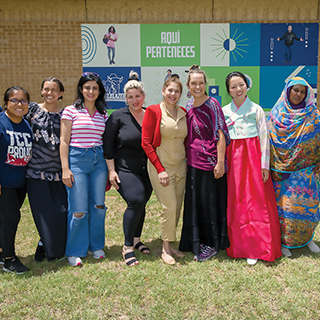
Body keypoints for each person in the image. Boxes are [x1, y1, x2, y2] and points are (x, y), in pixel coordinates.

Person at [222, 71, 281, 265]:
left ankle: (258, 246)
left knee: (257, 202)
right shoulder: (224, 111)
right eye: (233, 86)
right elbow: (221, 140)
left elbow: (265, 138)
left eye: (241, 85)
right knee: (237, 201)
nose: (238, 89)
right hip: (234, 160)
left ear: (247, 86)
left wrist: (265, 166)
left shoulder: (256, 110)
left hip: (254, 158)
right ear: (229, 91)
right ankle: (241, 245)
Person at [179, 65, 230, 262]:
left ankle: (211, 244)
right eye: (194, 83)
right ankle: (195, 241)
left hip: (211, 165)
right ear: (188, 85)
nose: (198, 86)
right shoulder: (189, 106)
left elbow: (221, 134)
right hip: (193, 163)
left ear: (205, 84)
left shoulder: (213, 104)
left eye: (201, 83)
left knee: (210, 205)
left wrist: (219, 162)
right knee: (195, 205)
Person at [104, 71, 152, 266]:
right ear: (126, 99)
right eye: (130, 97)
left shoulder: (151, 114)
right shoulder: (117, 117)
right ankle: (127, 246)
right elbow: (108, 146)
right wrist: (111, 171)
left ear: (143, 96)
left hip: (146, 170)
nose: (135, 100)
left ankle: (136, 240)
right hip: (125, 169)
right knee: (136, 199)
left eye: (137, 96)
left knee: (142, 203)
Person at [60, 72, 108, 267]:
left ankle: (95, 246)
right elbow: (64, 141)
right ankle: (74, 251)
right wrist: (65, 168)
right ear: (81, 89)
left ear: (99, 91)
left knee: (98, 206)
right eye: (87, 87)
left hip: (99, 161)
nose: (91, 91)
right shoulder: (70, 111)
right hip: (76, 160)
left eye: (95, 88)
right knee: (78, 209)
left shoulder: (103, 114)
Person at [268, 77, 320, 257]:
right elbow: (272, 142)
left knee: (307, 206)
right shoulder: (277, 113)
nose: (298, 94)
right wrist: (273, 167)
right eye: (295, 90)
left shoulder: (313, 113)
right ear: (288, 91)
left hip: (307, 170)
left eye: (302, 91)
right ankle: (284, 243)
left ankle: (308, 239)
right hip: (283, 171)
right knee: (285, 209)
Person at [142, 76, 187, 265]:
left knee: (176, 208)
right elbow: (145, 142)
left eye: (177, 91)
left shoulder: (184, 112)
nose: (173, 94)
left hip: (180, 167)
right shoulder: (153, 111)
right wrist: (160, 169)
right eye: (170, 90)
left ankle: (170, 244)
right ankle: (165, 249)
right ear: (163, 91)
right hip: (161, 167)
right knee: (169, 207)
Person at [25, 77, 67, 262]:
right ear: (41, 91)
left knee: (61, 212)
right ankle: (46, 246)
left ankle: (50, 244)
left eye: (54, 90)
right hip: (36, 172)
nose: (49, 93)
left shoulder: (66, 114)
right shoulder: (32, 110)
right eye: (46, 89)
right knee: (43, 214)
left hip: (60, 174)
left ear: (60, 93)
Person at [0, 86, 32, 274]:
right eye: (14, 100)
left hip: (20, 182)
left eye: (23, 101)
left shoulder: (26, 124)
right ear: (6, 103)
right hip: (5, 183)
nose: (19, 104)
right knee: (11, 218)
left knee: (4, 219)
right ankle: (10, 260)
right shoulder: (1, 122)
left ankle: (2, 253)